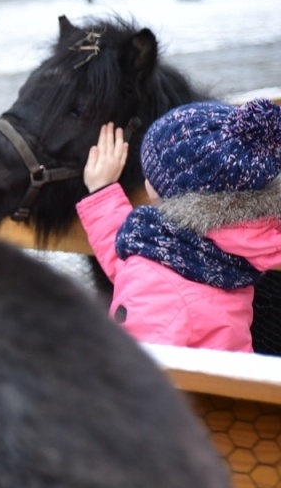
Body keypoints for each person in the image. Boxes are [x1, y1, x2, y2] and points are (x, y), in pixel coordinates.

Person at [78, 100, 281, 352]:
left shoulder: (156, 285)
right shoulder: (221, 249)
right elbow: (138, 259)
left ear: (171, 190)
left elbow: (130, 378)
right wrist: (102, 192)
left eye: (151, 170)